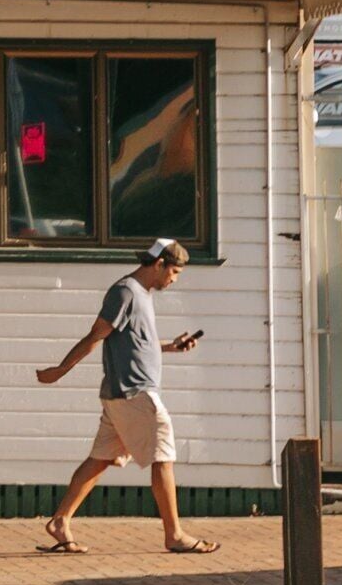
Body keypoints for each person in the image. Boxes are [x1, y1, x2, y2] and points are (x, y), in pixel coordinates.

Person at [32, 237, 212, 554]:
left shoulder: (141, 295)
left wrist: (171, 346)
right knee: (164, 457)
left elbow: (135, 345)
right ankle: (174, 535)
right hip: (134, 392)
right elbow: (96, 335)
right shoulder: (126, 292)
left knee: (100, 459)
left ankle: (60, 521)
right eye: (174, 272)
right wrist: (61, 369)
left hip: (122, 393)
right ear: (159, 264)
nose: (174, 279)